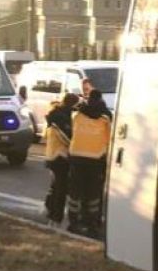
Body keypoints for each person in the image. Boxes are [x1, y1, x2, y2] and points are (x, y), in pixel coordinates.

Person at [68, 89, 112, 238]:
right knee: (93, 193)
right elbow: (109, 139)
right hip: (95, 157)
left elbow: (73, 128)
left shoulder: (77, 113)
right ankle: (92, 223)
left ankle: (73, 222)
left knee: (75, 191)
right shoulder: (106, 117)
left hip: (77, 156)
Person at [42, 92, 80, 226]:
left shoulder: (53, 114)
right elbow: (66, 136)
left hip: (52, 154)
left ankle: (49, 208)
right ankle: (56, 217)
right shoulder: (62, 117)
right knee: (61, 188)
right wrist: (75, 146)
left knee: (55, 185)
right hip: (61, 156)